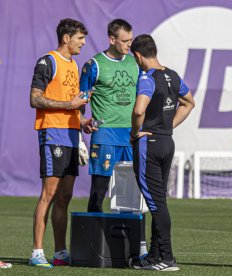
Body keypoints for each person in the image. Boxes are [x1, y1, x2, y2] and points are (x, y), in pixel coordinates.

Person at [80, 18, 148, 257]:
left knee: (132, 194)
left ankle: (136, 248)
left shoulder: (135, 63)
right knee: (98, 191)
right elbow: (82, 99)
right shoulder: (94, 65)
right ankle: (90, 246)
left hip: (131, 136)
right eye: (125, 41)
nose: (129, 45)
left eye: (131, 40)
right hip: (105, 135)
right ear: (111, 39)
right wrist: (81, 124)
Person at [129, 34, 195, 271]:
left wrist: (136, 133)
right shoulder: (173, 75)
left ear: (137, 55)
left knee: (156, 203)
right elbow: (189, 103)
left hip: (149, 145)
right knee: (159, 200)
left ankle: (166, 257)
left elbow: (138, 111)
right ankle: (155, 256)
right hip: (167, 143)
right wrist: (168, 126)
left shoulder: (147, 78)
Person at [29, 18, 91, 268]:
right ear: (66, 38)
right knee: (49, 193)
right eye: (80, 38)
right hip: (52, 132)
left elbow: (73, 103)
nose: (83, 43)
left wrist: (83, 120)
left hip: (71, 134)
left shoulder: (75, 66)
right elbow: (35, 99)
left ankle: (60, 252)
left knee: (65, 196)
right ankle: (37, 252)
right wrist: (69, 106)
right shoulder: (48, 61)